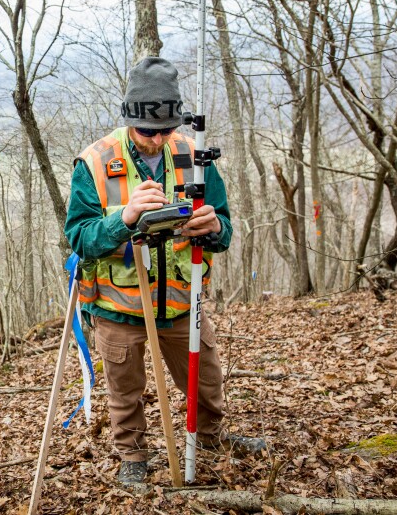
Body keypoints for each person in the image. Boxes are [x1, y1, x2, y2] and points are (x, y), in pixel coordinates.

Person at [64, 57, 266, 486]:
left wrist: (213, 229)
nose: (157, 140)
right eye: (147, 132)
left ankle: (210, 436)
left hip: (180, 301)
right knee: (125, 389)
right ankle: (133, 453)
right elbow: (80, 238)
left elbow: (224, 225)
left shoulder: (194, 154)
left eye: (165, 130)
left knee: (206, 378)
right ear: (129, 120)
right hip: (118, 307)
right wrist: (126, 217)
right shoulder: (95, 162)